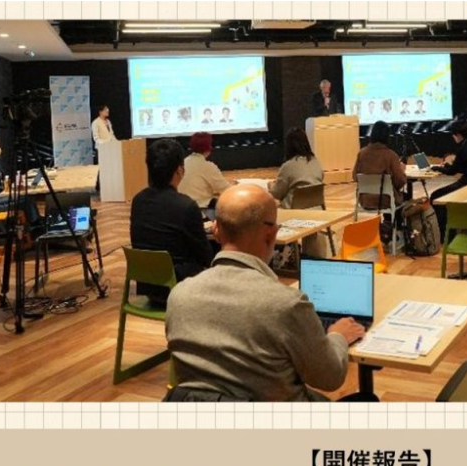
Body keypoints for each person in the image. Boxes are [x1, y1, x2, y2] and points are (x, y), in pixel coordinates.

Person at [165, 184, 366, 401]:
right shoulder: (286, 304)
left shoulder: (179, 296)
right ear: (271, 235)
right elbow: (330, 378)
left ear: (215, 231)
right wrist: (338, 335)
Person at [130, 139, 215, 307]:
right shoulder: (186, 205)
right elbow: (205, 256)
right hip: (179, 289)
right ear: (180, 170)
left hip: (148, 287)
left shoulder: (138, 200)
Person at [429, 121, 467, 241]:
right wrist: (448, 165)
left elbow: (452, 172)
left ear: (458, 135)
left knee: (435, 196)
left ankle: (445, 234)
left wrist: (438, 168)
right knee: (442, 193)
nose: (453, 137)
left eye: (453, 135)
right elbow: (460, 167)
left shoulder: (463, 149)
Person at [270, 128, 324, 209]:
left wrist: (270, 185)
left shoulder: (287, 166)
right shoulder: (316, 162)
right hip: (317, 208)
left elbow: (276, 194)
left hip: (294, 211)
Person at [177, 132, 233, 208]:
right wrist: (235, 185)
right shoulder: (207, 166)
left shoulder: (184, 162)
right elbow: (226, 190)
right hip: (201, 209)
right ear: (209, 147)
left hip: (182, 207)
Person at [352, 120, 407, 194]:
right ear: (387, 136)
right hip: (386, 199)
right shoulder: (391, 156)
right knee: (406, 196)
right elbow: (400, 182)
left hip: (364, 198)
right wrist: (402, 171)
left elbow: (355, 177)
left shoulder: (361, 153)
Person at [91, 104, 116, 192]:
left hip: (110, 148)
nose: (107, 111)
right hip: (101, 149)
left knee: (110, 167)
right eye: (105, 110)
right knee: (102, 168)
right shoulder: (95, 123)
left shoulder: (108, 121)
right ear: (100, 111)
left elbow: (111, 135)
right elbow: (96, 138)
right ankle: (99, 186)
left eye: (107, 109)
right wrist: (105, 143)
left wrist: (117, 142)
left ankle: (110, 185)